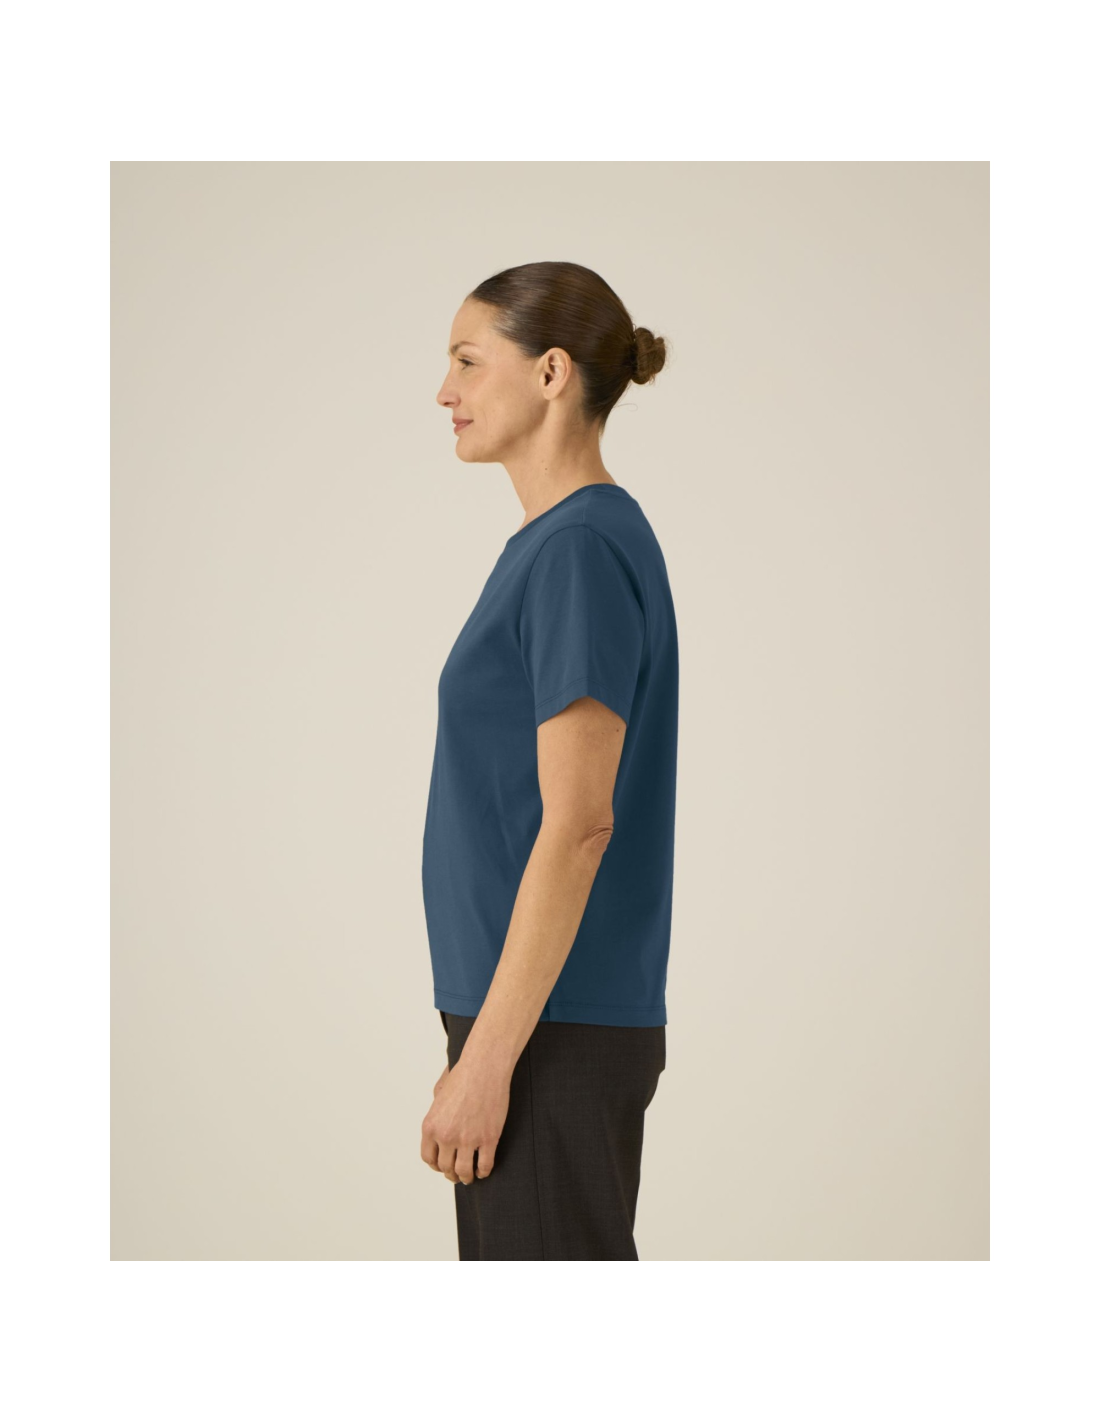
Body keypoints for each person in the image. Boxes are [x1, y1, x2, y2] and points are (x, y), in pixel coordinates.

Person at [419, 260, 678, 1260]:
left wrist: (490, 1060)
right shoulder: (556, 543)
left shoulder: (578, 549)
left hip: (546, 1028)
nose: (444, 391)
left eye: (467, 361)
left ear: (551, 372)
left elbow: (578, 826)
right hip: (533, 1017)